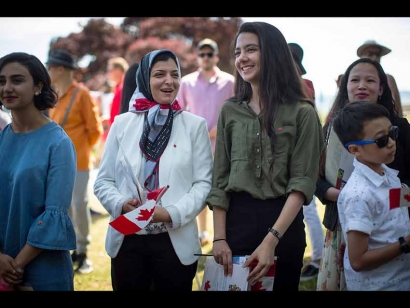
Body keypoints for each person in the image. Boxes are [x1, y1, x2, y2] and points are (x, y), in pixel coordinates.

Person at [205, 21, 325, 291]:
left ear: (272, 53)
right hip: (236, 225)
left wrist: (271, 240)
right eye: (237, 52)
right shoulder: (230, 111)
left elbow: (302, 182)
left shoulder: (303, 113)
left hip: (284, 226)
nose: (241, 58)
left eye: (251, 50)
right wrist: (219, 239)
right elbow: (220, 179)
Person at [93, 49, 213, 291]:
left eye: (175, 74)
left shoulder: (194, 125)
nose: (169, 81)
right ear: (145, 79)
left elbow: (203, 184)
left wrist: (170, 213)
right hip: (127, 242)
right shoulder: (122, 123)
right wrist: (120, 204)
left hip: (175, 242)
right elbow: (103, 180)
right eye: (159, 74)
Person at [316, 57, 410, 291]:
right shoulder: (330, 128)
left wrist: (384, 198)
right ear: (345, 86)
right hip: (344, 223)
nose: (361, 85)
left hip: (391, 225)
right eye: (354, 80)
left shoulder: (398, 127)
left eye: (370, 80)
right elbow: (311, 176)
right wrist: (335, 194)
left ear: (381, 88)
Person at [0, 52, 77, 290]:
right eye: (1, 81)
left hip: (43, 272)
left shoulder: (58, 143)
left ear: (38, 87)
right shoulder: (2, 139)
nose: (7, 88)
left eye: (17, 80)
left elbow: (54, 216)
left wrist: (15, 266)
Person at [332, 101, 410, 290]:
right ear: (355, 150)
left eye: (392, 133)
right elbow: (358, 260)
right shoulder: (358, 195)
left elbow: (392, 207)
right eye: (382, 140)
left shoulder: (386, 173)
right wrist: (405, 244)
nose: (392, 143)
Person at [47, 49, 103, 274]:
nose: (48, 71)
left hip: (78, 162)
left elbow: (95, 130)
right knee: (63, 207)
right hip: (57, 164)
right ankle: (68, 251)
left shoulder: (82, 94)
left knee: (79, 206)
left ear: (60, 69)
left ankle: (83, 252)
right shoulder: (53, 94)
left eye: (50, 67)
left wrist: (80, 151)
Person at [178, 38, 235, 247]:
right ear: (197, 57)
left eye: (209, 54)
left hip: (224, 147)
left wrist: (222, 128)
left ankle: (224, 233)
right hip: (195, 147)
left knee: (223, 190)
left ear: (216, 57)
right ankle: (202, 232)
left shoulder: (230, 82)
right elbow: (178, 112)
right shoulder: (186, 82)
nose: (205, 57)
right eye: (202, 54)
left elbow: (238, 112)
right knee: (198, 189)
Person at [288, 42, 324, 281]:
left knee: (307, 208)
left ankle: (318, 258)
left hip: (300, 156)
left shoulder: (302, 86)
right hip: (290, 155)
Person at [357, 40, 403, 117]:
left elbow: (397, 109)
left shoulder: (388, 79)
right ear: (361, 56)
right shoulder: (349, 80)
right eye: (370, 54)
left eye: (377, 54)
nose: (374, 57)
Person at [107, 56, 129, 125]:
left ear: (118, 71)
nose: (108, 74)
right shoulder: (117, 87)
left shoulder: (123, 88)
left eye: (110, 71)